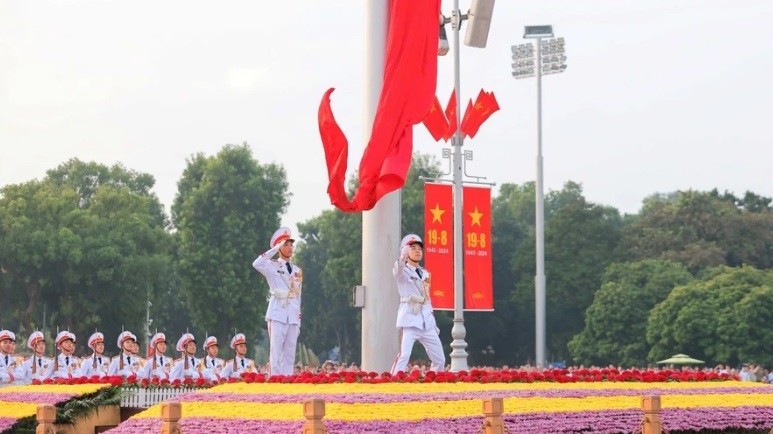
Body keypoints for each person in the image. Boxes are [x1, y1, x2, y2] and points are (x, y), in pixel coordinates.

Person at [390, 234, 445, 375]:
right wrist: (402, 258)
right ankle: (394, 382)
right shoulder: (402, 271)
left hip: (426, 322)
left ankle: (433, 382)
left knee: (440, 359)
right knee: (404, 355)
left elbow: (427, 298)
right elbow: (397, 270)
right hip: (409, 320)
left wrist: (433, 320)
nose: (418, 251)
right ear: (406, 251)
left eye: (420, 248)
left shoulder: (426, 273)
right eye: (413, 248)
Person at [252, 226, 303, 376]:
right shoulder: (271, 265)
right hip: (277, 312)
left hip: (292, 313)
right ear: (279, 247)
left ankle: (287, 379)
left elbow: (298, 295)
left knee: (290, 351)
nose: (290, 247)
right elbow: (256, 264)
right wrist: (274, 249)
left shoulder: (297, 270)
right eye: (285, 244)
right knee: (276, 349)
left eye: (291, 244)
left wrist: (298, 318)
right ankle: (275, 379)